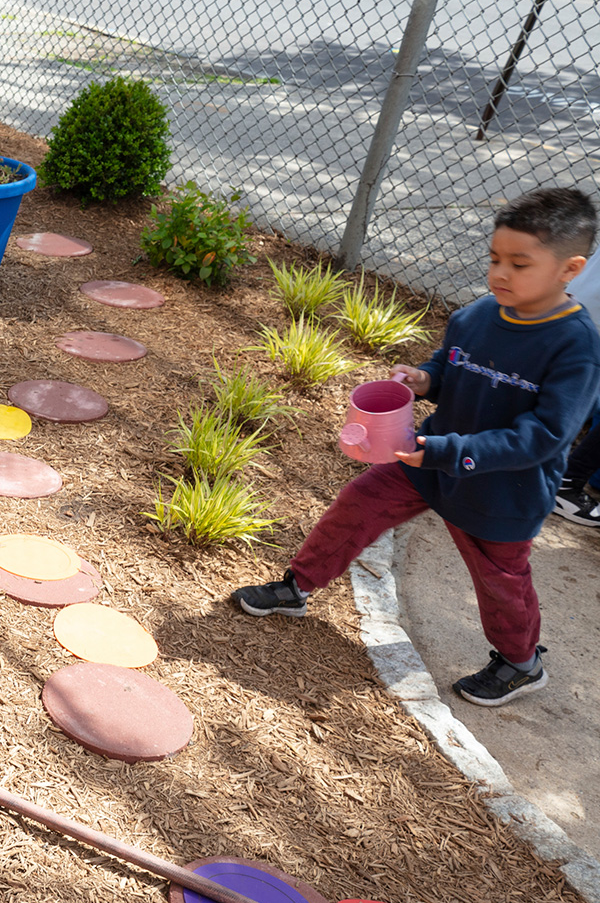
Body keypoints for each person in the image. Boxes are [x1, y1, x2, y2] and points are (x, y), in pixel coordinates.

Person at [232, 187, 600, 707]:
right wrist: (424, 380)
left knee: (500, 580)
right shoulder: (477, 315)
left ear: (571, 268)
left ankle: (521, 662)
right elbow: (449, 368)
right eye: (495, 258)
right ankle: (298, 586)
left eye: (520, 264)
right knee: (357, 505)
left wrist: (448, 450)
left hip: (501, 492)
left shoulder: (576, 347)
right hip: (427, 461)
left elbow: (544, 436)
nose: (500, 274)